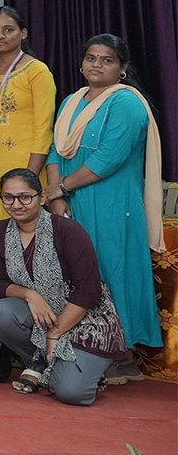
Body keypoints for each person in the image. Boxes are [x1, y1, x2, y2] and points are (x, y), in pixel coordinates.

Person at [44, 33, 163, 372]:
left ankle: (119, 356)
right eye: (91, 58)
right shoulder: (72, 101)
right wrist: (56, 197)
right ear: (81, 63)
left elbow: (107, 159)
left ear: (122, 68)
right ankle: (81, 345)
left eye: (107, 60)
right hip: (70, 202)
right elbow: (55, 150)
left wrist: (60, 188)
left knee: (111, 272)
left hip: (112, 203)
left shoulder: (126, 102)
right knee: (76, 274)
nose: (97, 64)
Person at [0, 168, 127, 405]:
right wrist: (31, 295)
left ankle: (69, 368)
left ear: (41, 198)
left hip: (85, 319)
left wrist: (55, 332)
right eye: (8, 197)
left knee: (73, 394)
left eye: (25, 196)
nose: (16, 204)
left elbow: (89, 290)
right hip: (39, 315)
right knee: (1, 311)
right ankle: (40, 362)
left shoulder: (68, 230)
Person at [0, 8, 56, 222]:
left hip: (25, 163)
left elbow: (44, 128)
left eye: (8, 29)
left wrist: (29, 178)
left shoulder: (37, 72)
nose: (0, 36)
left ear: (23, 33)